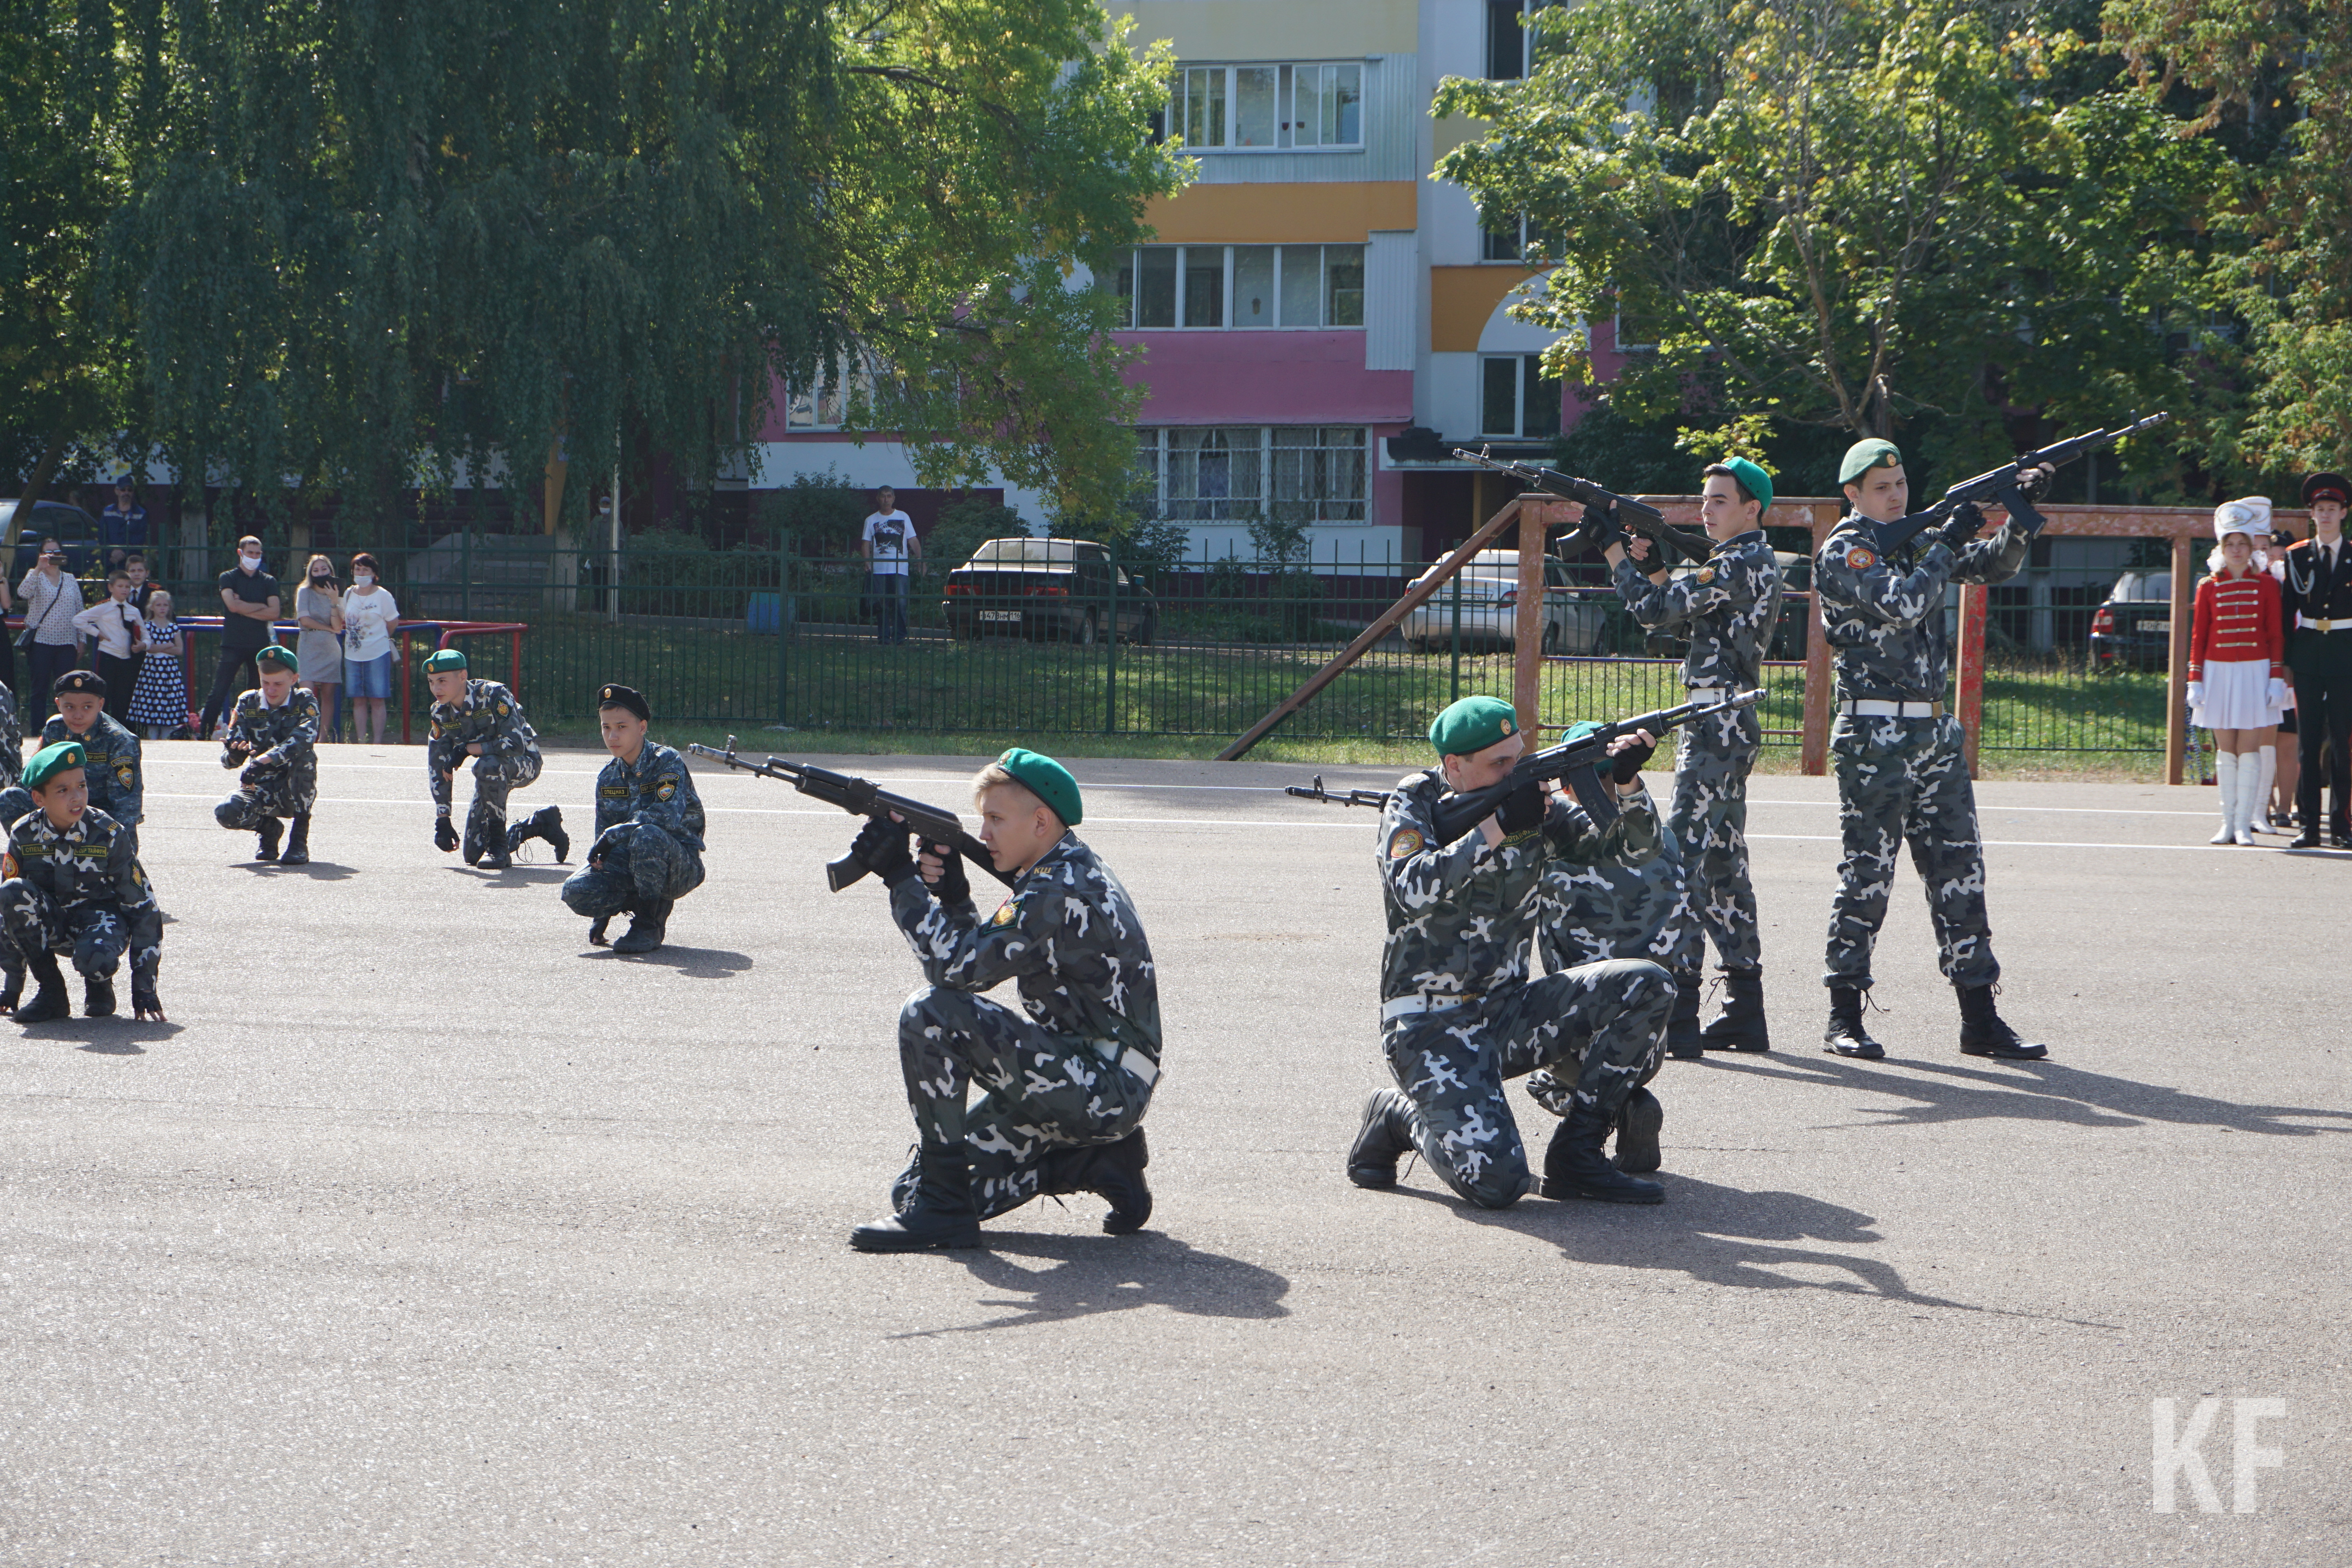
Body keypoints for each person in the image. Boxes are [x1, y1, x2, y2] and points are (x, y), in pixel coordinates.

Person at [1345, 695, 1673, 1211]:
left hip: (1504, 1010)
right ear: (1455, 766)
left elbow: (1632, 851)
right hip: (1427, 1027)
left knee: (1647, 984)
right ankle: (1398, 1115)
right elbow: (1412, 888)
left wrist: (1627, 784)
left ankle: (1578, 1154)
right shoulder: (1414, 803)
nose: (1513, 771)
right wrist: (1496, 828)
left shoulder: (1534, 800)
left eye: (1517, 756)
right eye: (1499, 763)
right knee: (1497, 1185)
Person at [844, 748, 1158, 1252]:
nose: (984, 833)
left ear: (1040, 822)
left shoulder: (1058, 887)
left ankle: (946, 1212)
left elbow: (956, 972)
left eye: (995, 819)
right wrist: (952, 898)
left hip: (1103, 1084)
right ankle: (1094, 1162)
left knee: (929, 1013)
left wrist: (902, 881)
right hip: (1076, 1072)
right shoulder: (1059, 869)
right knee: (911, 1192)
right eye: (981, 819)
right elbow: (978, 963)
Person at [1813, 436, 2050, 1061]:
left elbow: (1993, 566)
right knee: (1868, 875)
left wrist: (2017, 514)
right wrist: (1947, 539)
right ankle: (1844, 1016)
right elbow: (1904, 601)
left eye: (1900, 486)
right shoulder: (1848, 550)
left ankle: (1981, 1019)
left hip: (1934, 735)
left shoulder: (1918, 542)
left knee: (1960, 873)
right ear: (1853, 496)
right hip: (1874, 739)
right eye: (1882, 489)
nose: (1896, 496)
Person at [1603, 456, 1782, 1053]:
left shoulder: (1734, 562)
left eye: (1720, 501)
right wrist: (1654, 570)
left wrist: (1613, 557)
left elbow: (1652, 615)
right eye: (1705, 500)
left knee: (1674, 860)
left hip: (1713, 722)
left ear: (1752, 508)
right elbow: (1683, 623)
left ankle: (1679, 1011)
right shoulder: (1739, 563)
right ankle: (1744, 1006)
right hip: (1726, 719)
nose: (1706, 510)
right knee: (1723, 865)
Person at [0, 740, 164, 1022]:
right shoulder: (24, 833)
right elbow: (9, 915)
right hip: (56, 923)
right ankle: (51, 992)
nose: (76, 797)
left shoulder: (109, 834)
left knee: (96, 960)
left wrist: (144, 988)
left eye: (82, 786)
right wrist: (12, 987)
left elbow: (144, 908)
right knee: (11, 891)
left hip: (101, 921)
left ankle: (99, 985)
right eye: (63, 790)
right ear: (39, 799)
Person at [563, 684, 710, 955]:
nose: (613, 736)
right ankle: (638, 898)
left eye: (621, 727)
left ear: (642, 728)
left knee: (647, 834)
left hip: (678, 865)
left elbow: (665, 817)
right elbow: (604, 845)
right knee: (574, 890)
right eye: (606, 728)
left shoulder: (665, 762)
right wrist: (602, 914)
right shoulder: (608, 777)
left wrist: (614, 835)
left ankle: (648, 923)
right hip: (633, 863)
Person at [2188, 499, 2289, 847]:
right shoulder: (2207, 586)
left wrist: (2276, 677)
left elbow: (2276, 634)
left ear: (2251, 549)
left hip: (2255, 672)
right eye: (2229, 545)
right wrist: (2195, 679)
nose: (2236, 550)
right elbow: (2199, 636)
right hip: (2217, 673)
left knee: (2249, 749)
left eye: (2242, 544)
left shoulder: (2267, 586)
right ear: (2221, 548)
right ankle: (2227, 823)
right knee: (2225, 750)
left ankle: (2245, 824)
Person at [2277, 472, 2352, 849]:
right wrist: (2286, 662)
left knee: (2342, 740)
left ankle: (2341, 825)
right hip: (2307, 654)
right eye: (2320, 510)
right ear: (2312, 514)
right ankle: (2309, 827)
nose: (2325, 515)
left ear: (2344, 513)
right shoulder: (2296, 556)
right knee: (2307, 740)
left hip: (2345, 652)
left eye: (2332, 509)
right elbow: (2285, 613)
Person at [422, 647, 545, 872]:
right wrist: (443, 818)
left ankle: (499, 846)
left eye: (442, 680)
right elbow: (438, 763)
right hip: (490, 774)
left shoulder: (494, 694)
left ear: (462, 676)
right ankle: (536, 825)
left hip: (524, 761)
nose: (436, 688)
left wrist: (469, 749)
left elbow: (515, 744)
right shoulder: (440, 713)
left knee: (487, 765)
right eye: (431, 682)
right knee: (472, 854)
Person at [214, 644, 320, 864]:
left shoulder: (304, 701)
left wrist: (264, 760)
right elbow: (229, 760)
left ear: (294, 680)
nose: (271, 690)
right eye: (265, 683)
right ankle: (269, 830)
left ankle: (299, 839)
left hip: (294, 788)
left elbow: (305, 737)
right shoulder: (248, 702)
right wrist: (234, 755)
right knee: (226, 812)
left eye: (278, 684)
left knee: (305, 758)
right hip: (261, 786)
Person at [39, 671, 142, 853]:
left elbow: (127, 806)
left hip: (98, 819)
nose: (78, 715)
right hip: (59, 810)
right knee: (11, 798)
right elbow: (34, 780)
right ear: (58, 705)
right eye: (70, 707)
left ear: (100, 705)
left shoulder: (118, 740)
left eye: (87, 707)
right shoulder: (54, 730)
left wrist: (123, 854)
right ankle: (37, 854)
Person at [203, 536, 281, 739]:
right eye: (250, 553)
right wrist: (260, 607)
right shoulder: (228, 577)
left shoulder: (269, 581)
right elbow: (232, 606)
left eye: (258, 554)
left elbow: (274, 613)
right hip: (233, 644)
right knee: (218, 692)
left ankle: (253, 735)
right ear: (240, 553)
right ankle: (202, 735)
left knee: (257, 694)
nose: (254, 557)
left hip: (260, 645)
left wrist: (243, 607)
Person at [72, 570, 149, 724]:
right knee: (104, 695)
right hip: (108, 655)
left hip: (126, 658)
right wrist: (97, 633)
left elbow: (146, 635)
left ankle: (121, 730)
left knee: (124, 697)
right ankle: (102, 728)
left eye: (128, 587)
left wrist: (143, 645)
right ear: (111, 588)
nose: (125, 590)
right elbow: (78, 620)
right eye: (120, 586)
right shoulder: (103, 608)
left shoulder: (133, 611)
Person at [340, 554, 401, 745]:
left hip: (378, 653)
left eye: (366, 570)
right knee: (358, 700)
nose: (361, 573)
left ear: (374, 573)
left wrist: (379, 637)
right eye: (358, 569)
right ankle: (361, 742)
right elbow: (341, 617)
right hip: (352, 654)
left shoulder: (383, 595)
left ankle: (378, 741)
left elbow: (392, 622)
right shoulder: (348, 593)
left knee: (377, 699)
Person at [18, 541, 85, 700]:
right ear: (41, 554)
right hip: (41, 641)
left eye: (57, 551)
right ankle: (39, 726)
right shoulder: (35, 575)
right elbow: (23, 593)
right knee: (39, 689)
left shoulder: (70, 579)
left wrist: (81, 640)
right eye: (48, 552)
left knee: (66, 690)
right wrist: (39, 568)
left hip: (67, 642)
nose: (53, 555)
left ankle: (65, 723)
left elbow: (79, 610)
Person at [860, 486, 922, 645]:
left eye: (889, 496)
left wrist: (920, 559)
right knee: (882, 607)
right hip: (879, 571)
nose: (886, 500)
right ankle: (884, 639)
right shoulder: (871, 520)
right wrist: (867, 561)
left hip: (900, 570)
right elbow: (866, 543)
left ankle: (900, 638)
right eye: (883, 497)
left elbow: (913, 540)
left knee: (900, 604)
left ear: (894, 498)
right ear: (878, 499)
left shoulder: (903, 517)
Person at [294, 554, 344, 742]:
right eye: (316, 570)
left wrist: (333, 600)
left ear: (330, 571)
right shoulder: (304, 592)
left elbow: (338, 626)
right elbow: (305, 621)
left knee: (328, 695)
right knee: (306, 693)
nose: (320, 573)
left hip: (330, 648)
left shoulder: (338, 593)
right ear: (310, 573)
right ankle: (306, 733)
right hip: (309, 645)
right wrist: (327, 628)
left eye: (324, 569)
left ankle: (323, 738)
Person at [126, 590, 187, 740]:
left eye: (165, 605)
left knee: (168, 712)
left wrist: (159, 646)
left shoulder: (173, 627)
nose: (162, 608)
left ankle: (166, 741)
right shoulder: (148, 626)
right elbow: (150, 648)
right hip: (152, 670)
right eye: (158, 605)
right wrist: (167, 645)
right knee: (152, 711)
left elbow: (180, 650)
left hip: (169, 672)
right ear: (152, 607)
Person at [98, 478, 149, 571]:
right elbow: (102, 536)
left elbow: (140, 538)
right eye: (123, 490)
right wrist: (113, 552)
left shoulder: (141, 513)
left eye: (130, 490)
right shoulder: (107, 512)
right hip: (111, 562)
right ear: (117, 491)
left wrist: (123, 553)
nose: (126, 493)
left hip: (133, 565)